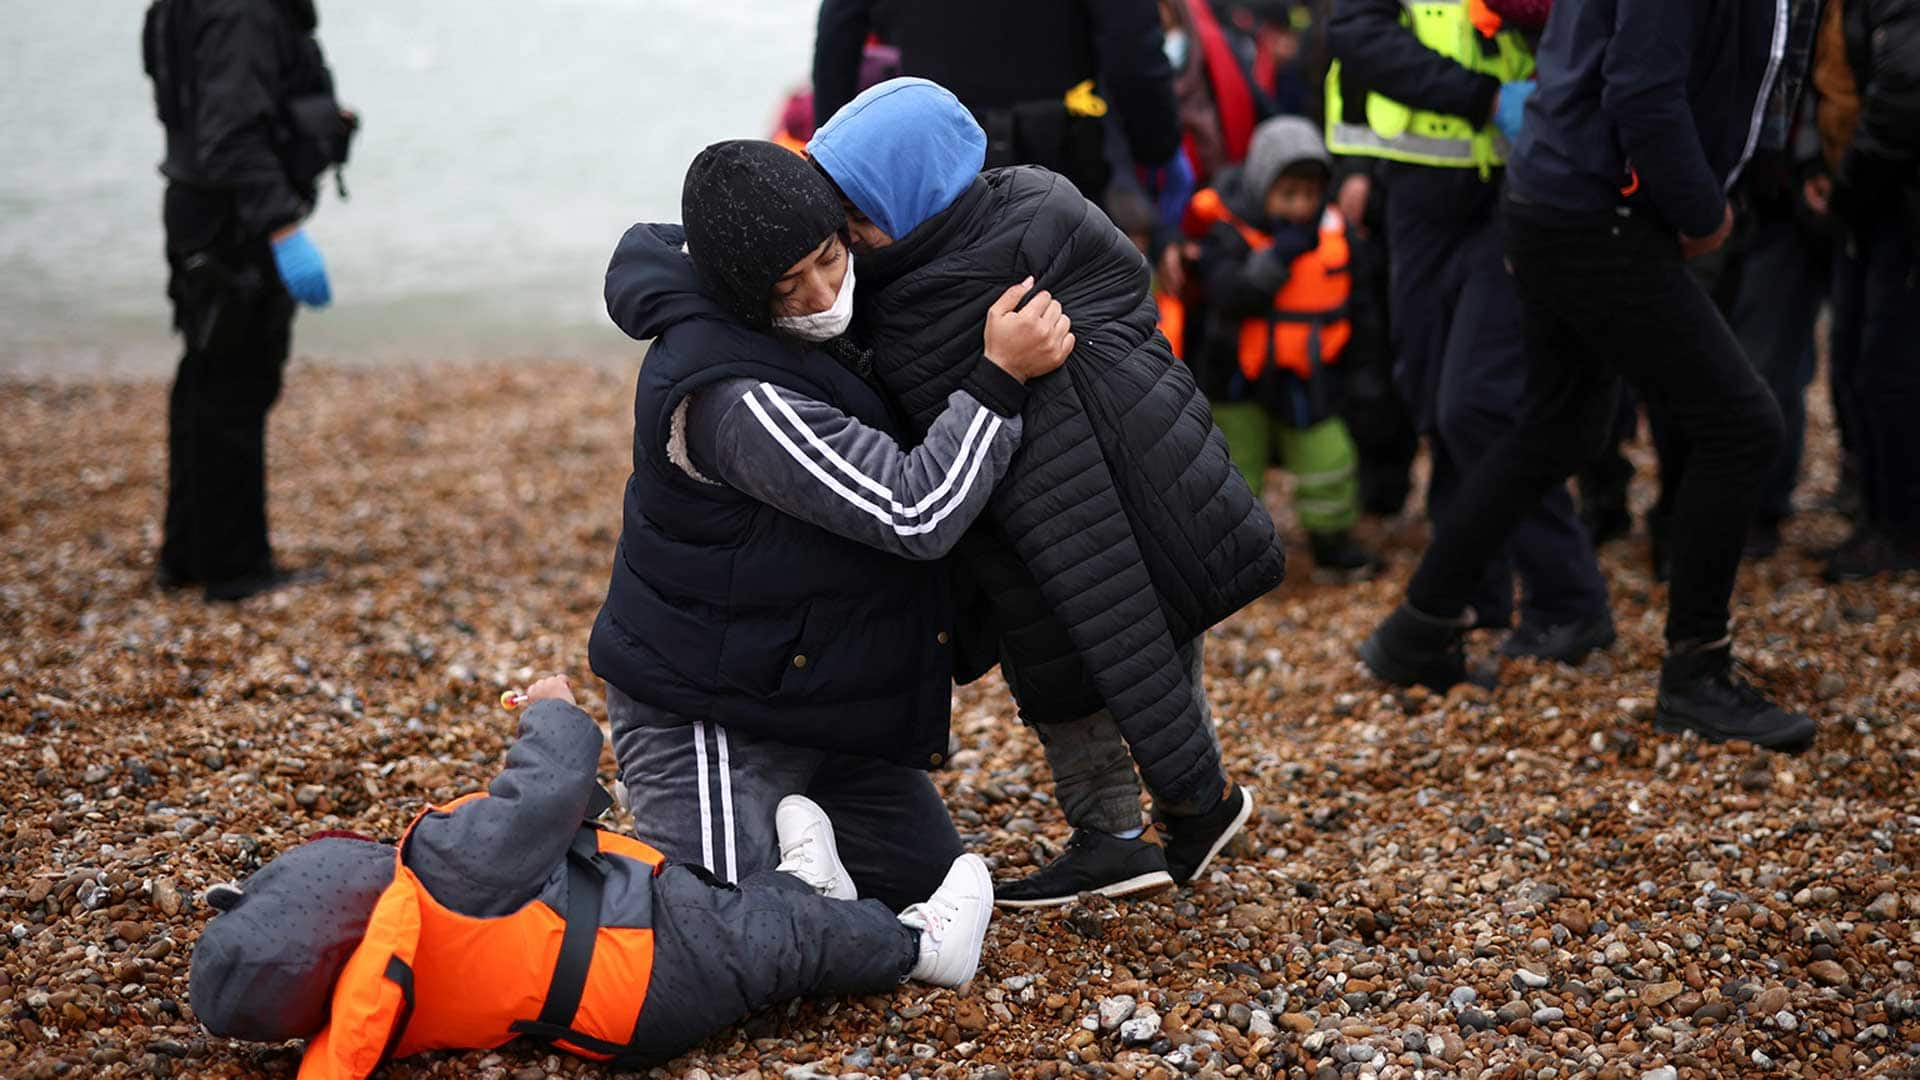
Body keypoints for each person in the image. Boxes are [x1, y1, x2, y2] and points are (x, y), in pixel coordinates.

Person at [808, 79, 1278, 907]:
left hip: (1087, 506)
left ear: (918, 196)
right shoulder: (1038, 200)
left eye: (860, 216)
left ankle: (1142, 824)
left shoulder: (933, 286)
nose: (850, 237)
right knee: (1112, 664)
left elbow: (1115, 298)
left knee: (1102, 662)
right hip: (1094, 500)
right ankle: (1163, 816)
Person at [591, 140, 1072, 912]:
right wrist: (999, 378)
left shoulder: (823, 316)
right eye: (789, 284)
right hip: (711, 714)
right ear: (742, 294)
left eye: (829, 257)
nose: (821, 295)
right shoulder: (734, 398)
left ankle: (814, 876)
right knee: (716, 933)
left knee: (932, 888)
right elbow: (918, 511)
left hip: (822, 705)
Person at [1360, 0, 1822, 753]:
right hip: (1597, 211)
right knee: (1742, 425)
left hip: (1560, 195)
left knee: (1558, 426)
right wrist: (1702, 210)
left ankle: (1418, 625)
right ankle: (1697, 677)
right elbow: (1643, 89)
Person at [187, 677, 995, 1078]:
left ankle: (804, 887)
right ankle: (917, 944)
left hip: (614, 1010)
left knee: (750, 913)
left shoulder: (371, 1009)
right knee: (773, 943)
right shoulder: (446, 872)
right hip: (650, 960)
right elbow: (547, 786)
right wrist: (551, 706)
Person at [1328, 0, 1616, 665]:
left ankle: (1567, 598)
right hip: (1423, 191)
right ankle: (1473, 600)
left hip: (1522, 185)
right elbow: (1355, 32)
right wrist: (1481, 97)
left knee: (1478, 401)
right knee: (1433, 398)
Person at [141, 0, 355, 601]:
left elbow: (192, 102)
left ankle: (186, 555)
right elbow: (230, 134)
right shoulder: (243, 10)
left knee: (204, 381)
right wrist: (284, 230)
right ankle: (234, 569)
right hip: (235, 226)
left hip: (196, 208)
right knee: (235, 387)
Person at [1185, 116, 1382, 578]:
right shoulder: (1228, 229)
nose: (1302, 207)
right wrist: (1277, 258)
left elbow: (1362, 307)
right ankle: (1231, 556)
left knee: (1328, 457)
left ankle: (1331, 541)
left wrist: (1368, 374)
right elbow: (1227, 293)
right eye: (1288, 194)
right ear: (1261, 186)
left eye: (1311, 195)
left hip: (1310, 374)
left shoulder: (1336, 235)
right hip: (1237, 374)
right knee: (1235, 463)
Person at [810, 0, 1192, 219]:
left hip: (932, 167)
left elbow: (836, 47)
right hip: (1061, 170)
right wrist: (1158, 148)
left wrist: (836, 179)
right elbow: (1133, 57)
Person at [1814, 0, 1920, 580]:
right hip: (1879, 204)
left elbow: (1903, 95)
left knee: (1889, 373)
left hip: (1898, 205)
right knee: (1864, 363)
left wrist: (1850, 185)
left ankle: (1899, 531)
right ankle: (1880, 519)